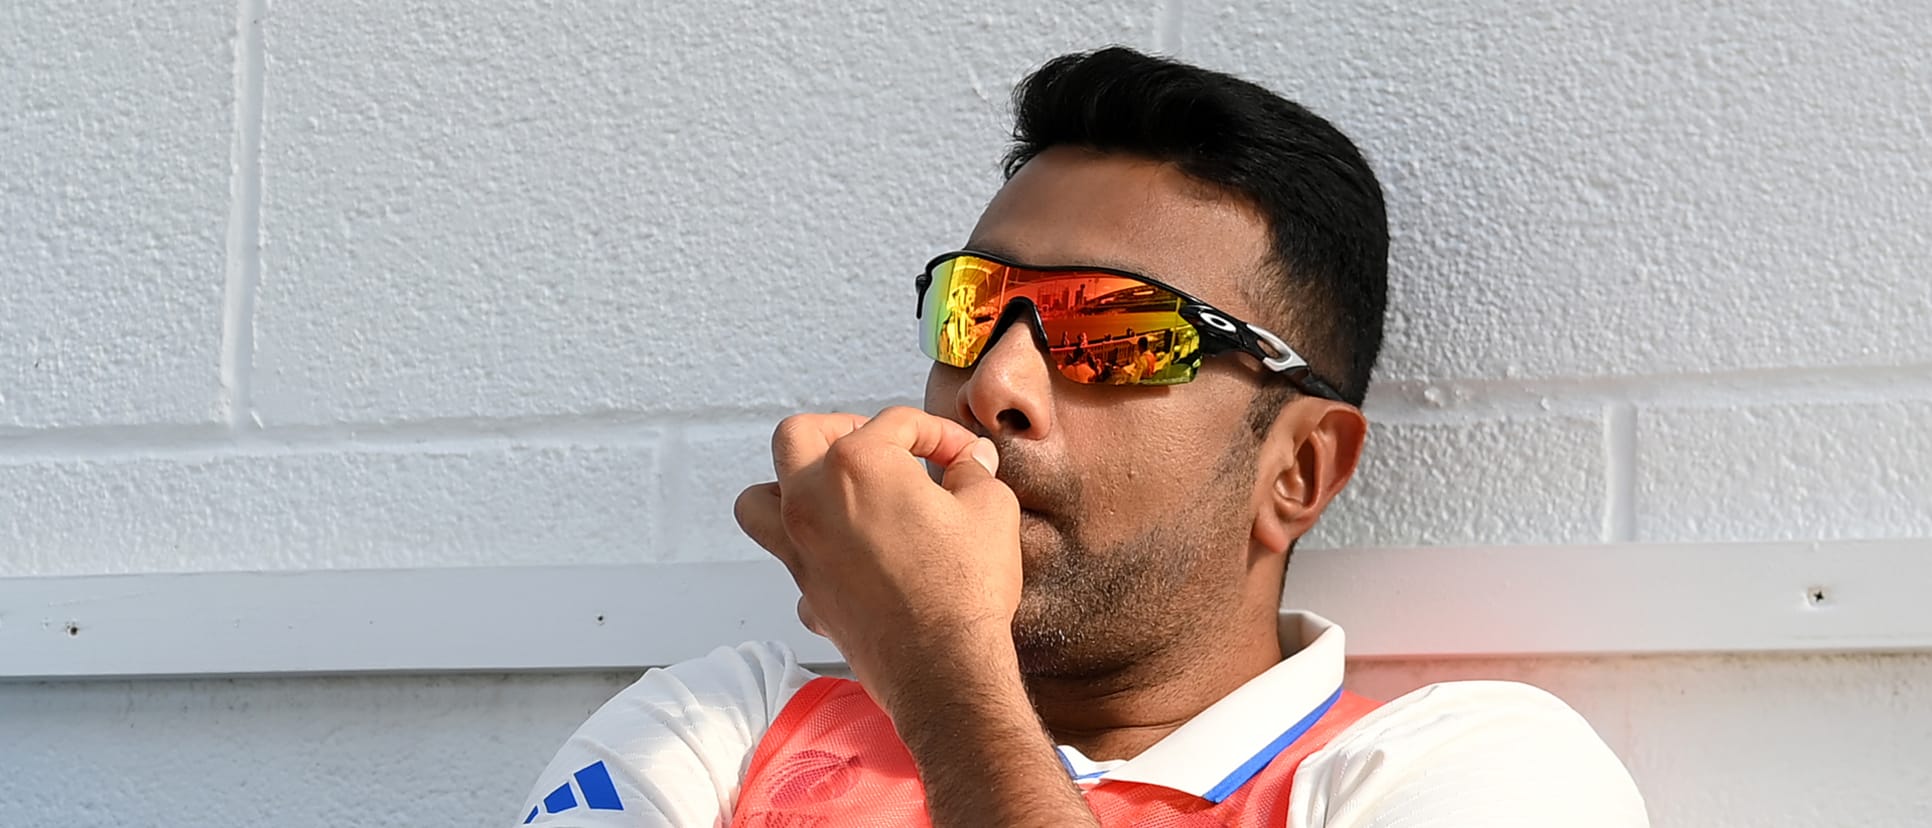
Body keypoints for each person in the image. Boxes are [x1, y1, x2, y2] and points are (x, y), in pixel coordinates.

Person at [514, 47, 1648, 827]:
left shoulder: (1473, 771)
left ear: (1298, 469)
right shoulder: (721, 728)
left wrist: (942, 669)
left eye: (1112, 333)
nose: (995, 384)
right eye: (973, 309)